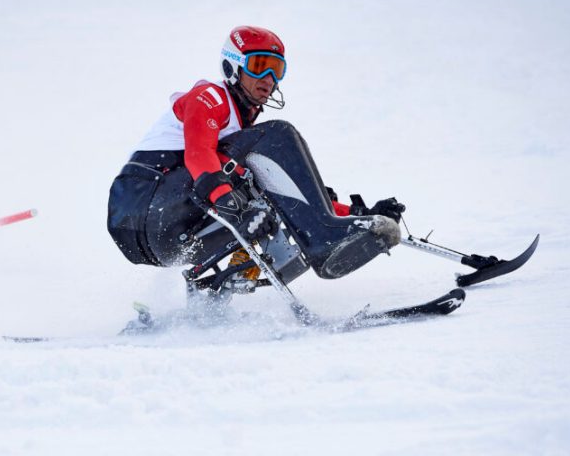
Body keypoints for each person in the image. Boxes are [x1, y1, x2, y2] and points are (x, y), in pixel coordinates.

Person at [107, 26, 405, 288]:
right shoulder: (210, 97)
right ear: (232, 66)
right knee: (276, 136)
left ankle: (219, 290)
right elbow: (199, 156)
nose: (269, 78)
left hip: (171, 241)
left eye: (277, 69)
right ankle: (321, 239)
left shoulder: (242, 135)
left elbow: (291, 195)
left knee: (265, 189)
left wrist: (360, 216)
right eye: (260, 66)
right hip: (144, 207)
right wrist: (229, 203)